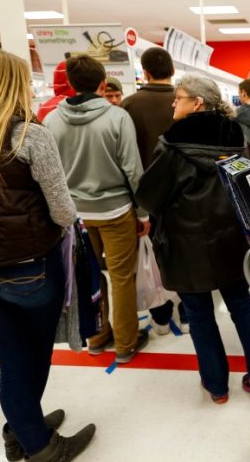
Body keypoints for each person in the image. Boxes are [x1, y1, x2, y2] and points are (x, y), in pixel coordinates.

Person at [0, 46, 95, 461]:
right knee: (28, 356)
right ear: (10, 86)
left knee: (11, 358)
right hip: (27, 272)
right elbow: (63, 211)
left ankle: (24, 428)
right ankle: (41, 448)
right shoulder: (28, 135)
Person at [135, 74, 250, 404]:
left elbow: (150, 197)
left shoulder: (171, 145)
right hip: (230, 238)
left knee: (199, 313)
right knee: (242, 305)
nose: (174, 102)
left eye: (179, 97)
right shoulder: (237, 137)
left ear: (196, 103)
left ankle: (216, 387)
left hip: (186, 243)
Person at [44, 54, 150, 364]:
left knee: (88, 277)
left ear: (71, 86)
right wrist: (142, 213)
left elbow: (50, 175)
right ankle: (126, 343)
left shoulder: (51, 120)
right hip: (116, 211)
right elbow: (133, 170)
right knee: (122, 278)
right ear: (103, 84)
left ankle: (96, 337)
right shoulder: (117, 118)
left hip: (75, 216)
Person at [121, 47, 188, 335]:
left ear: (145, 72)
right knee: (186, 253)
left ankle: (161, 315)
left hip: (148, 195)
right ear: (172, 71)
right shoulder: (186, 101)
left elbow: (126, 158)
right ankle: (187, 312)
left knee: (154, 257)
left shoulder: (129, 106)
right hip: (186, 193)